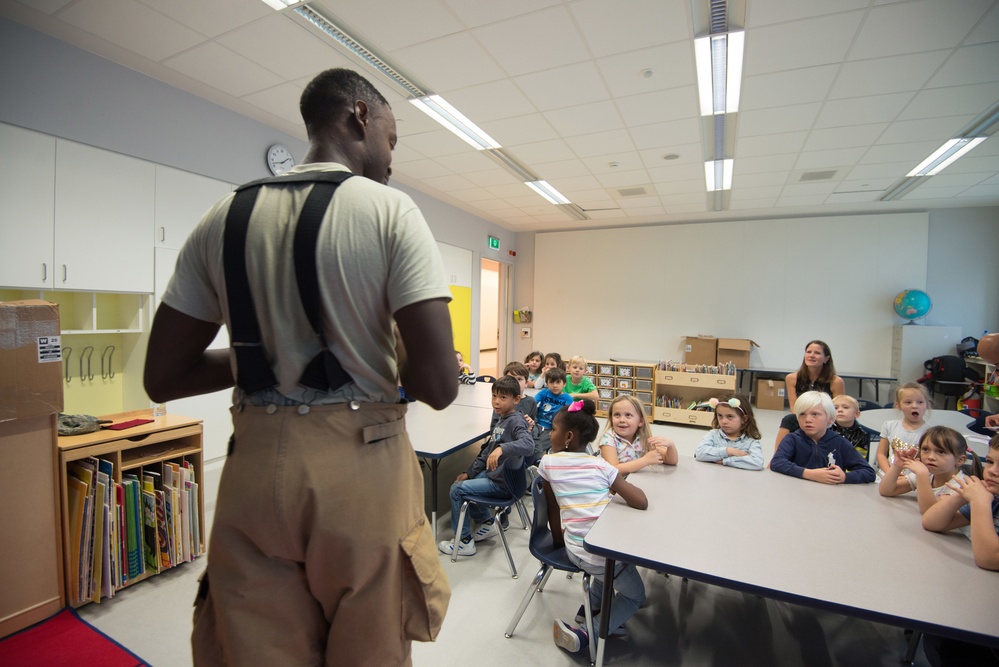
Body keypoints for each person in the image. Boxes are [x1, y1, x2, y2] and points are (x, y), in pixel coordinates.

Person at [143, 68, 457, 666]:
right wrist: (385, 343)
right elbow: (439, 386)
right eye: (392, 139)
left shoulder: (224, 216)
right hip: (361, 474)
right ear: (360, 116)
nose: (391, 160)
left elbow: (165, 376)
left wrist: (259, 357)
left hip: (252, 472)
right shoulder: (390, 212)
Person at [538, 399, 649, 655]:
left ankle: (591, 608)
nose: (549, 433)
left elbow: (553, 511)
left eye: (553, 429)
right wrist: (615, 481)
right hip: (604, 553)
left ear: (567, 436)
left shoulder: (548, 464)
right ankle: (590, 631)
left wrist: (558, 543)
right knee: (636, 597)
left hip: (575, 548)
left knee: (605, 571)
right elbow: (641, 502)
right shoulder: (601, 466)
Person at [438, 375, 535, 557]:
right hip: (497, 477)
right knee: (470, 479)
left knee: (456, 490)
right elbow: (486, 453)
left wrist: (502, 448)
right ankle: (487, 522)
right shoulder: (503, 419)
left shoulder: (515, 421)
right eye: (494, 396)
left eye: (503, 398)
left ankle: (464, 542)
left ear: (516, 399)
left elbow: (528, 446)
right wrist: (469, 472)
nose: (496, 402)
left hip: (502, 484)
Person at [922, 433, 999, 571]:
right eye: (990, 462)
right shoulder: (994, 497)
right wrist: (963, 495)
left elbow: (989, 559)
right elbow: (931, 522)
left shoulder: (986, 499)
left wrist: (979, 501)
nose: (992, 471)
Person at [770, 391, 875, 484]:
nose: (807, 419)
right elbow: (777, 462)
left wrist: (844, 477)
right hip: (797, 492)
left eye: (815, 414)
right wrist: (809, 474)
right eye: (802, 414)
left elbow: (868, 472)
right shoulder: (792, 439)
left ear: (830, 419)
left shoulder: (839, 442)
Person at [879, 426, 980, 515]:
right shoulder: (930, 474)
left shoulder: (959, 486)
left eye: (941, 452)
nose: (930, 457)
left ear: (960, 460)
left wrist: (922, 475)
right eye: (925, 449)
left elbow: (929, 513)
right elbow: (886, 491)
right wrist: (897, 466)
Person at [773, 340, 846, 448]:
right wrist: (807, 418)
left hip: (826, 419)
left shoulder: (836, 381)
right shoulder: (792, 378)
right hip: (802, 417)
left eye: (817, 353)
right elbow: (794, 408)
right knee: (789, 419)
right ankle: (776, 458)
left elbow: (838, 408)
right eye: (808, 352)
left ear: (826, 358)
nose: (811, 355)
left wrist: (818, 418)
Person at [599, 394, 678, 472]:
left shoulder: (643, 438)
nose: (621, 420)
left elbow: (671, 461)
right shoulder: (608, 439)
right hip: (614, 484)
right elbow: (613, 470)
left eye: (628, 415)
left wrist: (671, 445)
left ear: (640, 421)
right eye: (617, 415)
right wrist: (645, 461)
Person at [875, 382, 930, 479]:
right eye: (908, 402)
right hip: (887, 475)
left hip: (913, 479)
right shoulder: (889, 426)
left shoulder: (930, 432)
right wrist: (890, 473)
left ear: (926, 405)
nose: (914, 406)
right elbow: (881, 454)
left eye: (920, 402)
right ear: (899, 405)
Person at [694, 395, 764, 470]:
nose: (724, 421)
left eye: (730, 416)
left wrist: (726, 461)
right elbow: (700, 453)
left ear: (744, 419)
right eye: (720, 416)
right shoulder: (713, 435)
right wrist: (729, 451)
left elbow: (757, 462)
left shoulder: (751, 441)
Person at [533, 366, 575, 462]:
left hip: (551, 429)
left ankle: (538, 460)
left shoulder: (568, 399)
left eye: (558, 382)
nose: (555, 385)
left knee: (540, 444)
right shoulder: (544, 393)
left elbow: (570, 416)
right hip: (537, 424)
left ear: (564, 383)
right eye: (551, 382)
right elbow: (533, 402)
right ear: (547, 383)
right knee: (530, 439)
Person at [831, 395, 872, 460]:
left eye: (846, 407)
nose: (840, 410)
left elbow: (860, 458)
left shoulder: (862, 434)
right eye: (836, 408)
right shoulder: (826, 430)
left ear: (857, 414)